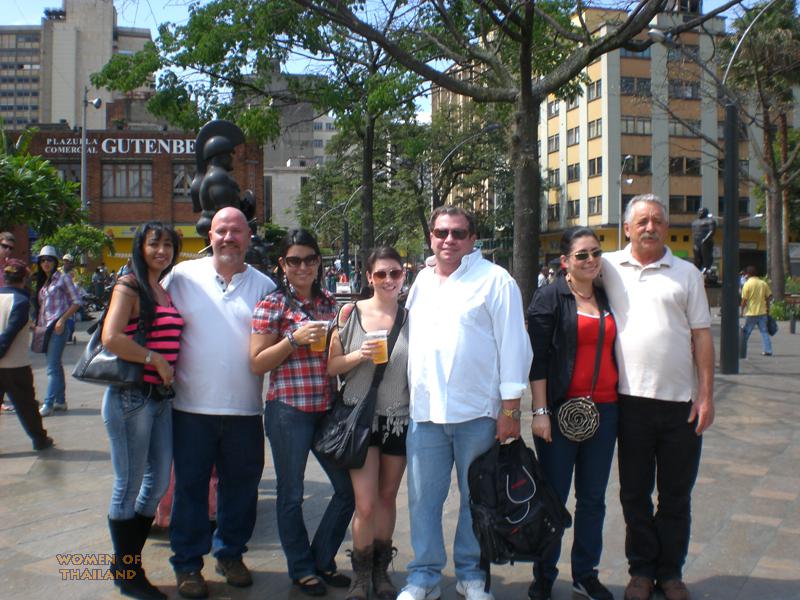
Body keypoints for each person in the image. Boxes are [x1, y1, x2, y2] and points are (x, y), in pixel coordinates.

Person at [399, 206, 532, 600]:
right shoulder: (422, 280)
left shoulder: (496, 281)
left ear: (472, 239)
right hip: (425, 413)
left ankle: (471, 573)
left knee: (478, 498)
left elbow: (514, 348)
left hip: (477, 413)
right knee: (423, 500)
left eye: (458, 234)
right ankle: (423, 575)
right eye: (441, 233)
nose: (448, 240)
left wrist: (510, 410)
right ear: (431, 237)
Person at [602, 194, 714, 600]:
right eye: (642, 221)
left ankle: (670, 573)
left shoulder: (686, 273)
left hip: (680, 405)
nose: (650, 227)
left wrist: (706, 396)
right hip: (628, 403)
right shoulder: (609, 266)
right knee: (633, 493)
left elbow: (701, 335)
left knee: (675, 496)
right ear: (627, 228)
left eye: (657, 221)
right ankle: (641, 571)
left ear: (667, 228)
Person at [164, 207, 275, 599]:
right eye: (221, 231)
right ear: (209, 236)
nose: (229, 238)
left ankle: (230, 554)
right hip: (190, 409)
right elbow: (149, 311)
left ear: (248, 237)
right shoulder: (181, 277)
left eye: (236, 231)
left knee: (241, 490)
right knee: (190, 490)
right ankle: (188, 564)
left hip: (245, 409)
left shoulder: (265, 286)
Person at [250, 228, 355, 597]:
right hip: (288, 411)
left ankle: (321, 557)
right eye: (294, 260)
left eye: (310, 259)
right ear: (283, 264)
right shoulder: (272, 305)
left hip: (326, 409)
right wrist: (293, 339)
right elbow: (258, 363)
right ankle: (301, 568)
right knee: (290, 493)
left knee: (348, 490)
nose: (302, 267)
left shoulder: (331, 304)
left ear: (319, 263)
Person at [527, 227, 618, 600]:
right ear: (565, 261)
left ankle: (585, 572)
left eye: (596, 253)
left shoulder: (609, 295)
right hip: (560, 412)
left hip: (606, 410)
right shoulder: (550, 297)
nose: (591, 260)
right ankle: (544, 573)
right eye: (582, 255)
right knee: (553, 496)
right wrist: (540, 410)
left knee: (593, 498)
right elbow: (538, 361)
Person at [101, 222, 184, 600]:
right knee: (129, 484)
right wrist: (154, 358)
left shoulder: (162, 290)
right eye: (155, 244)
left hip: (161, 398)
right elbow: (111, 336)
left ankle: (127, 566)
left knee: (159, 482)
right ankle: (129, 573)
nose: (162, 251)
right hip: (131, 396)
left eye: (169, 245)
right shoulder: (130, 285)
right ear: (140, 247)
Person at [326, 246, 410, 600]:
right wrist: (356, 355)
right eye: (381, 274)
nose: (388, 280)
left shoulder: (411, 317)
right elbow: (332, 366)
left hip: (397, 419)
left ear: (403, 276)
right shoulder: (350, 313)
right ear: (369, 277)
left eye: (395, 273)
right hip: (359, 418)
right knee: (365, 503)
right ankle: (361, 575)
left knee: (388, 497)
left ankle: (380, 571)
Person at [0, 259, 53, 449]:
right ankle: (39, 440)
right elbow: (8, 334)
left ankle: (40, 439)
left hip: (11, 364)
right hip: (15, 366)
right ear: (24, 278)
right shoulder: (21, 302)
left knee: (27, 406)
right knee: (27, 407)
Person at [33, 245, 82, 417]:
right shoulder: (44, 281)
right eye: (43, 260)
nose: (46, 263)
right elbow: (42, 307)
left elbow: (77, 301)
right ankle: (60, 401)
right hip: (45, 329)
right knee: (56, 365)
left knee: (52, 368)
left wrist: (62, 319)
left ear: (55, 262)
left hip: (58, 327)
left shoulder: (63, 278)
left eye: (49, 260)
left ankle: (49, 403)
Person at [740, 265, 773, 357]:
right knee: (764, 332)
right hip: (762, 312)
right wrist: (768, 309)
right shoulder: (763, 283)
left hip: (751, 313)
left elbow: (744, 300)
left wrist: (742, 311)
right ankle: (768, 350)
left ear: (748, 274)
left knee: (746, 332)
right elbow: (768, 297)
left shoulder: (747, 284)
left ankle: (741, 349)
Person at [690, 208, 716, 273]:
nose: (699, 213)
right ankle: (697, 271)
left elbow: (712, 231)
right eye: (699, 211)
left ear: (706, 212)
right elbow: (693, 233)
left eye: (701, 211)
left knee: (706, 257)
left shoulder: (710, 221)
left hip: (706, 243)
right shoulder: (694, 222)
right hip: (696, 243)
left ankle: (706, 269)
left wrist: (705, 239)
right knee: (697, 259)